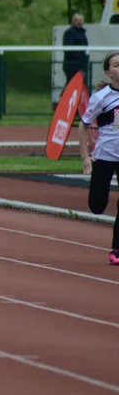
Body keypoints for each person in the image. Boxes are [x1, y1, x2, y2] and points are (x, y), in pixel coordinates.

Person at [77, 50, 119, 265]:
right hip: (104, 155)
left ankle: (117, 249)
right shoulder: (101, 98)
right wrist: (85, 156)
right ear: (108, 72)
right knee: (97, 206)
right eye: (116, 65)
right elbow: (83, 126)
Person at [63, 13, 90, 85]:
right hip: (72, 65)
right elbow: (67, 49)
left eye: (80, 20)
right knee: (71, 85)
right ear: (72, 21)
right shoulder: (70, 33)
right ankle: (64, 96)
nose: (79, 22)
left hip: (81, 64)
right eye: (76, 20)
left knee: (79, 85)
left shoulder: (82, 33)